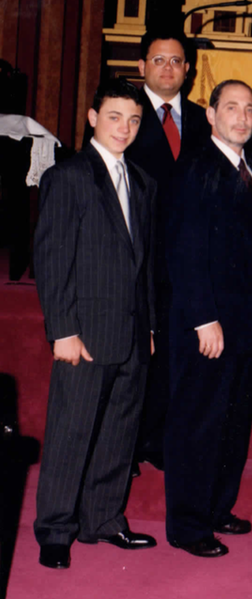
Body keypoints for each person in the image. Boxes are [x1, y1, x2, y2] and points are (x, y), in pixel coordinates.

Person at [33, 79, 157, 569]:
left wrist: (147, 326)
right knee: (71, 431)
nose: (124, 128)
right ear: (91, 118)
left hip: (130, 332)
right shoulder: (70, 176)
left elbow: (141, 263)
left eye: (133, 119)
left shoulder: (144, 182)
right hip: (83, 331)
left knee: (118, 433)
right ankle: (56, 531)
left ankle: (103, 520)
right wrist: (62, 330)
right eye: (114, 117)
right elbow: (52, 257)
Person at [164, 80, 252, 558]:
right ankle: (188, 525)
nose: (242, 117)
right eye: (232, 108)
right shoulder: (196, 167)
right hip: (206, 324)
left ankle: (216, 507)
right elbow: (184, 251)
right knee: (198, 423)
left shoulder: (250, 170)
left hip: (245, 323)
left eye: (250, 110)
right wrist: (204, 319)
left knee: (230, 420)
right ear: (210, 115)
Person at [129, 27, 212, 471]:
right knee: (139, 351)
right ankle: (132, 438)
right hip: (136, 258)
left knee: (176, 354)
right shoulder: (123, 113)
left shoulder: (203, 121)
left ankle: (161, 438)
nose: (168, 68)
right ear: (141, 67)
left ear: (188, 70)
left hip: (187, 262)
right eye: (159, 60)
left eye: (177, 61)